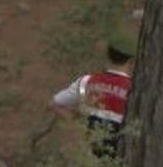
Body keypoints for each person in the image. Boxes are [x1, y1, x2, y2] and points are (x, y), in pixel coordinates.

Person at [50, 31, 135, 159]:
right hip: (125, 156)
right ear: (131, 60)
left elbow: (55, 103)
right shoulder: (134, 89)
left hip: (93, 155)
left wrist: (77, 119)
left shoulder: (86, 81)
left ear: (108, 54)